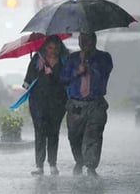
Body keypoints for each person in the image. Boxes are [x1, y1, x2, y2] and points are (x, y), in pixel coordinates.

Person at [60, 32, 113, 177]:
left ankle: (91, 166)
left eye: (88, 40)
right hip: (76, 104)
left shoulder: (104, 57)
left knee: (93, 135)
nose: (85, 44)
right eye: (82, 41)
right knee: (74, 136)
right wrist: (77, 72)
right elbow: (63, 78)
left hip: (95, 103)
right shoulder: (72, 59)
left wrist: (88, 64)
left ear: (94, 41)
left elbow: (104, 73)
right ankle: (79, 161)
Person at [23, 35, 69, 176]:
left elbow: (67, 79)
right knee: (40, 132)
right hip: (38, 102)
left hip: (57, 102)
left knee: (53, 132)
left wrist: (53, 73)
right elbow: (27, 82)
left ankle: (53, 164)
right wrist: (38, 70)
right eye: (49, 47)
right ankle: (39, 165)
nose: (52, 51)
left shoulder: (64, 61)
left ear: (60, 48)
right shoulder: (37, 60)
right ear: (45, 47)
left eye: (56, 48)